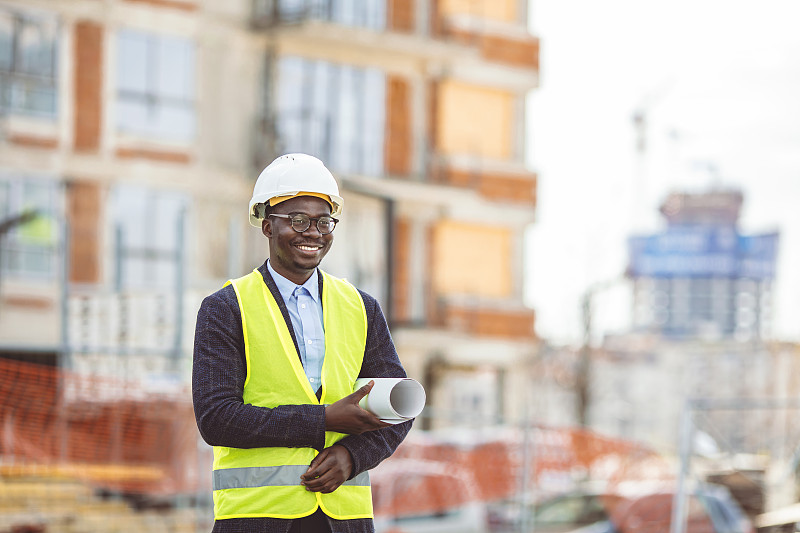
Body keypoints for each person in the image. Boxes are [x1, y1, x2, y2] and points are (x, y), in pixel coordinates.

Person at [192, 153, 413, 533]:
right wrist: (324, 420)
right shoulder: (226, 308)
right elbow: (217, 419)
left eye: (324, 221)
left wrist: (351, 456)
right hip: (255, 519)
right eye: (298, 220)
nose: (313, 232)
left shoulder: (362, 308)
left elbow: (397, 409)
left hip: (343, 520)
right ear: (267, 226)